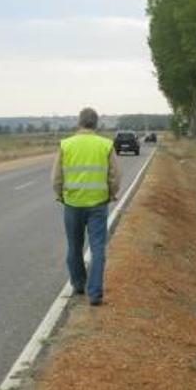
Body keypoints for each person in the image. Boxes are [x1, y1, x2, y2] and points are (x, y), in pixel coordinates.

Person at [51, 108, 121, 306]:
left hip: (72, 204)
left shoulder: (66, 145)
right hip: (98, 205)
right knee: (98, 247)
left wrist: (60, 195)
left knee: (74, 246)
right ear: (96, 124)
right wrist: (111, 193)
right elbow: (116, 175)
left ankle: (79, 284)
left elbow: (56, 178)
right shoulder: (105, 145)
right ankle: (95, 293)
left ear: (79, 123)